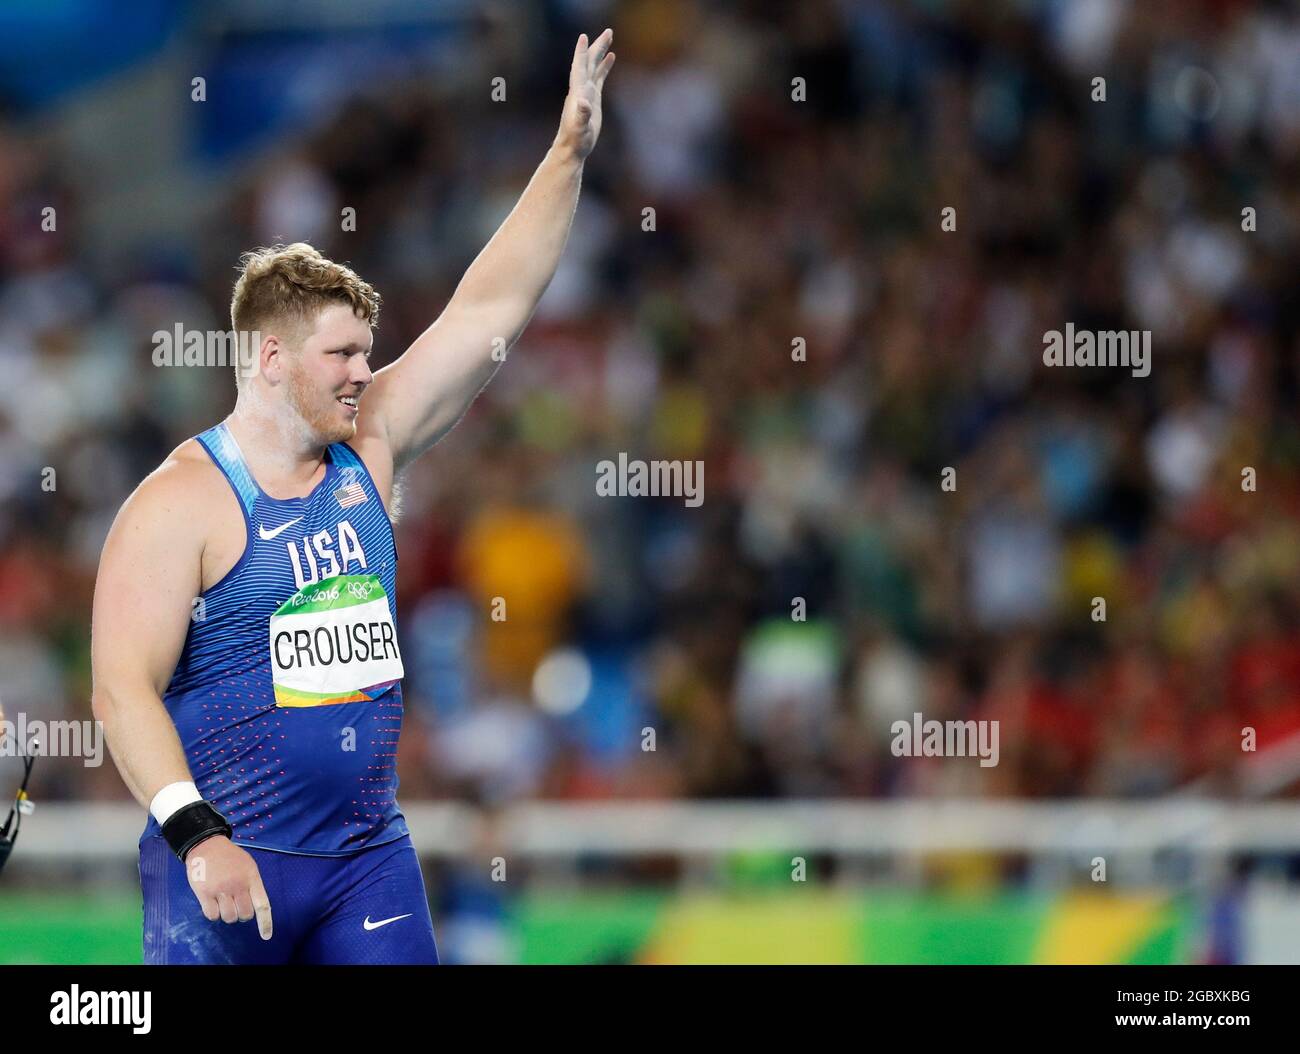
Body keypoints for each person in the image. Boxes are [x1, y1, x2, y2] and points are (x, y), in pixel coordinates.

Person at [89, 30, 614, 964]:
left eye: (367, 354)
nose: (363, 374)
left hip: (366, 860)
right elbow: (120, 688)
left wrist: (567, 152)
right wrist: (195, 834)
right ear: (270, 357)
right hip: (223, 862)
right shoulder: (180, 504)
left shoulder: (368, 447)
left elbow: (488, 312)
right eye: (343, 355)